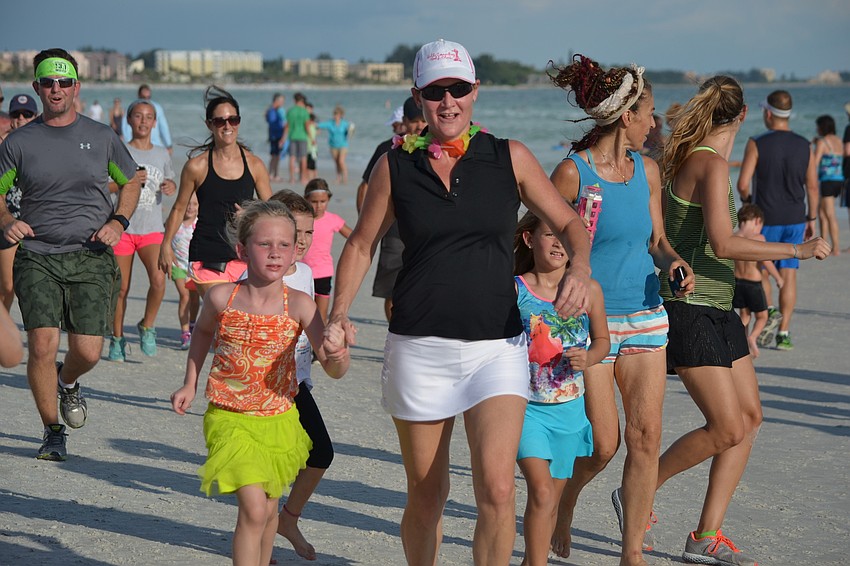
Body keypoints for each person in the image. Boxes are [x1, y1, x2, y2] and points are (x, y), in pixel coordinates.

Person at [329, 39, 591, 566]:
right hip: (418, 349)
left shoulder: (508, 156)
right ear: (418, 97)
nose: (448, 102)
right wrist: (338, 314)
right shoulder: (394, 166)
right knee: (428, 497)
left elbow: (568, 220)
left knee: (497, 490)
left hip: (497, 346)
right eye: (435, 91)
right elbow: (361, 243)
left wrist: (580, 269)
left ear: (475, 91)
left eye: (459, 89)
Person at [657, 75, 830, 566]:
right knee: (726, 426)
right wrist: (796, 247)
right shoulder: (709, 164)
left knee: (750, 419)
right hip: (693, 310)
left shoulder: (699, 158)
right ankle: (639, 489)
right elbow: (723, 244)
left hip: (720, 307)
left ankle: (704, 536)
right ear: (744, 113)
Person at [547, 54, 693, 565]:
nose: (655, 124)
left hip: (648, 315)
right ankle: (567, 499)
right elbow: (539, 236)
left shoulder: (647, 171)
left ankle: (633, 553)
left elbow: (657, 240)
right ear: (626, 115)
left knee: (646, 437)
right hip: (590, 324)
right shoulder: (572, 174)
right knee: (604, 444)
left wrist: (674, 263)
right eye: (649, 114)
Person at [170, 199, 350, 566]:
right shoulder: (222, 296)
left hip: (280, 419)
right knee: (254, 509)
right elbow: (203, 333)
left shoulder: (301, 305)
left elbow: (333, 369)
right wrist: (189, 382)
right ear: (242, 249)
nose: (275, 253)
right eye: (264, 244)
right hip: (230, 416)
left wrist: (339, 351)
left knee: (268, 510)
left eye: (285, 245)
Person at [0, 49, 142, 461]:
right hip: (38, 255)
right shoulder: (20, 142)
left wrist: (119, 221)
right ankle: (53, 431)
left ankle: (67, 379)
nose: (56, 89)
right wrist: (7, 219)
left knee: (89, 351)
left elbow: (131, 181)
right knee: (41, 346)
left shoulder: (101, 136)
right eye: (48, 82)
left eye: (64, 82)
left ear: (77, 86)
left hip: (92, 255)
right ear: (36, 87)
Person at [513, 211, 610, 566]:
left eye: (564, 236)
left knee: (550, 501)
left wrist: (589, 358)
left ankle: (529, 561)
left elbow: (602, 340)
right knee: (539, 491)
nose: (558, 242)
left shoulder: (589, 290)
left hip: (570, 411)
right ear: (528, 239)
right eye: (549, 234)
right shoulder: (515, 289)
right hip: (525, 409)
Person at [260, 190, 332, 561]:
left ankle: (288, 520)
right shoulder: (257, 274)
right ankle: (262, 542)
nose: (302, 242)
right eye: (295, 233)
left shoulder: (305, 272)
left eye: (308, 234)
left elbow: (310, 327)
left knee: (320, 452)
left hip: (298, 381)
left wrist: (329, 348)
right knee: (273, 468)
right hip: (267, 387)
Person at [158, 85, 272, 297]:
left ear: (238, 122)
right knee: (220, 314)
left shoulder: (255, 165)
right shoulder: (197, 166)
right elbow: (178, 208)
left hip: (246, 256)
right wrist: (166, 245)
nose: (227, 126)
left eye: (233, 120)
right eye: (220, 121)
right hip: (207, 255)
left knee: (237, 322)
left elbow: (273, 211)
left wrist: (250, 213)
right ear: (209, 124)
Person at [737, 90, 819, 352]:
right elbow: (813, 187)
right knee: (789, 274)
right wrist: (812, 218)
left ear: (769, 113)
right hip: (795, 218)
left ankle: (768, 311)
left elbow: (742, 183)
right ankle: (784, 332)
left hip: (766, 218)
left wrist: (749, 203)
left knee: (762, 270)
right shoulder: (805, 144)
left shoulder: (756, 142)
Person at [107, 99, 177, 361]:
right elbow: (104, 186)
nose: (144, 121)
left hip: (151, 229)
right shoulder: (119, 150)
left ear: (155, 122)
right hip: (123, 228)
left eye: (149, 117)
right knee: (121, 288)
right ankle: (116, 339)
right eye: (138, 116)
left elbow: (169, 181)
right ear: (129, 120)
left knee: (159, 281)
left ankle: (147, 326)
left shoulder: (162, 153)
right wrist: (128, 181)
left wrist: (171, 186)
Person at [356, 97, 427, 322]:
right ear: (404, 121)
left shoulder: (438, 150)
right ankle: (396, 331)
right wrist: (367, 224)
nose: (419, 126)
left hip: (428, 231)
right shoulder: (387, 150)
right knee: (392, 290)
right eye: (414, 121)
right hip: (394, 232)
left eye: (423, 120)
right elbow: (365, 186)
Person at [0, 94, 40, 311]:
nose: (21, 118)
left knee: (31, 286)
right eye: (16, 114)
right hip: (7, 221)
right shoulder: (2, 145)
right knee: (7, 286)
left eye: (27, 114)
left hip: (36, 224)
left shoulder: (43, 145)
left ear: (36, 116)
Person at [733, 204, 784, 358]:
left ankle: (740, 345)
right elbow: (766, 260)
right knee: (762, 317)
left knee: (744, 315)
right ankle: (752, 337)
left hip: (737, 282)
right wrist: (778, 277)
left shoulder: (733, 237)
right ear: (757, 220)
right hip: (753, 284)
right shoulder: (758, 238)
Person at [302, 178, 351, 325]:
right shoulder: (300, 219)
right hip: (302, 272)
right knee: (301, 314)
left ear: (328, 200)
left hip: (323, 273)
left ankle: (317, 348)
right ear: (306, 200)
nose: (318, 206)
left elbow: (355, 238)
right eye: (314, 202)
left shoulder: (333, 220)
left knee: (321, 317)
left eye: (323, 202)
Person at [170, 192, 200, 350]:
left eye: (194, 204)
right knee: (184, 296)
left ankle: (193, 323)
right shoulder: (175, 223)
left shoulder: (199, 224)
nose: (190, 207)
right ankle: (185, 332)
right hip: (178, 266)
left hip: (195, 268)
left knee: (195, 300)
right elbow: (165, 240)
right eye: (188, 203)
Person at [812, 115, 844, 255]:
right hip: (839, 179)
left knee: (830, 214)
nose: (816, 129)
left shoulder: (822, 142)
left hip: (827, 181)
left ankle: (835, 247)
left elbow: (815, 162)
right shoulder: (838, 141)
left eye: (818, 126)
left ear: (822, 127)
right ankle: (824, 242)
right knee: (822, 212)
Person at [122, 84, 172, 152]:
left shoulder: (157, 108)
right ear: (139, 96)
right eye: (143, 97)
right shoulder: (132, 108)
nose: (146, 99)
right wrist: (129, 147)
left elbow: (164, 127)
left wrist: (168, 145)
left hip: (156, 145)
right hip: (136, 147)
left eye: (148, 97)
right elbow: (125, 128)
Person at [316, 105, 353, 184]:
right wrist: (313, 124)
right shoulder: (330, 123)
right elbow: (320, 125)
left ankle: (345, 177)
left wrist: (351, 130)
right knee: (336, 162)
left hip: (343, 145)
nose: (335, 116)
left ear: (341, 115)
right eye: (334, 114)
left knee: (341, 161)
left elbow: (351, 130)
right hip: (333, 146)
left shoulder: (345, 124)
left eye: (337, 114)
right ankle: (338, 178)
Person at [283, 92, 310, 184]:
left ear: (294, 100)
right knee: (303, 158)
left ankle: (292, 178)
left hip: (293, 136)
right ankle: (302, 178)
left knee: (292, 157)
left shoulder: (290, 111)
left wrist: (283, 138)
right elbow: (307, 126)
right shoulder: (305, 111)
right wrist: (311, 137)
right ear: (302, 100)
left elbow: (287, 126)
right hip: (302, 136)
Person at [265, 93, 286, 181]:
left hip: (277, 135)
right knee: (275, 155)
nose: (282, 103)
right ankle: (272, 174)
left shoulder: (276, 110)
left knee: (276, 155)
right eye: (281, 101)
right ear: (276, 101)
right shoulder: (272, 111)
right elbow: (272, 123)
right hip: (275, 136)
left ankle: (274, 174)